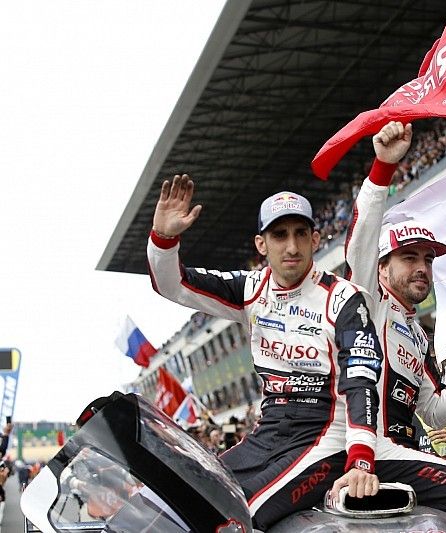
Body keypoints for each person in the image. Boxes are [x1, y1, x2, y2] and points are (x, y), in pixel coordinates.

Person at [147, 176, 384, 528]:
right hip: (267, 433)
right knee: (188, 496)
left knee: (239, 517)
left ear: (315, 239)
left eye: (300, 233)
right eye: (279, 235)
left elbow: (362, 378)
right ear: (261, 244)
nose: (291, 246)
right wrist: (164, 240)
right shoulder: (249, 289)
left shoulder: (344, 297)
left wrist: (361, 456)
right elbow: (172, 285)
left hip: (323, 437)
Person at [343, 121, 446, 529]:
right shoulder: (367, 302)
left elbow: (434, 413)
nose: (422, 269)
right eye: (410, 258)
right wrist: (383, 167)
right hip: (364, 454)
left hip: (402, 452)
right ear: (381, 267)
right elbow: (361, 239)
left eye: (429, 261)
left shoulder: (418, 335)